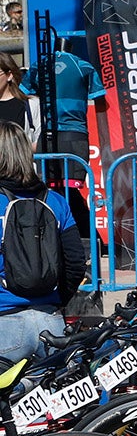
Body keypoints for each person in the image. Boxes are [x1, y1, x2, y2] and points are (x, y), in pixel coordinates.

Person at [0, 122, 86, 363]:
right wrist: (57, 299)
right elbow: (76, 262)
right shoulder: (55, 201)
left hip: (4, 322)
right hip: (50, 322)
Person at [21, 38, 104, 237]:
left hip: (49, 135)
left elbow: (24, 91)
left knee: (54, 192)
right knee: (68, 192)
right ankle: (83, 237)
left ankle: (76, 237)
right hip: (74, 135)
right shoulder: (82, 65)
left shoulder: (38, 65)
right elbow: (99, 96)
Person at [0, 52, 40, 148]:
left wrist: (17, 151)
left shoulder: (32, 105)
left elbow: (40, 143)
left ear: (9, 75)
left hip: (21, 161)